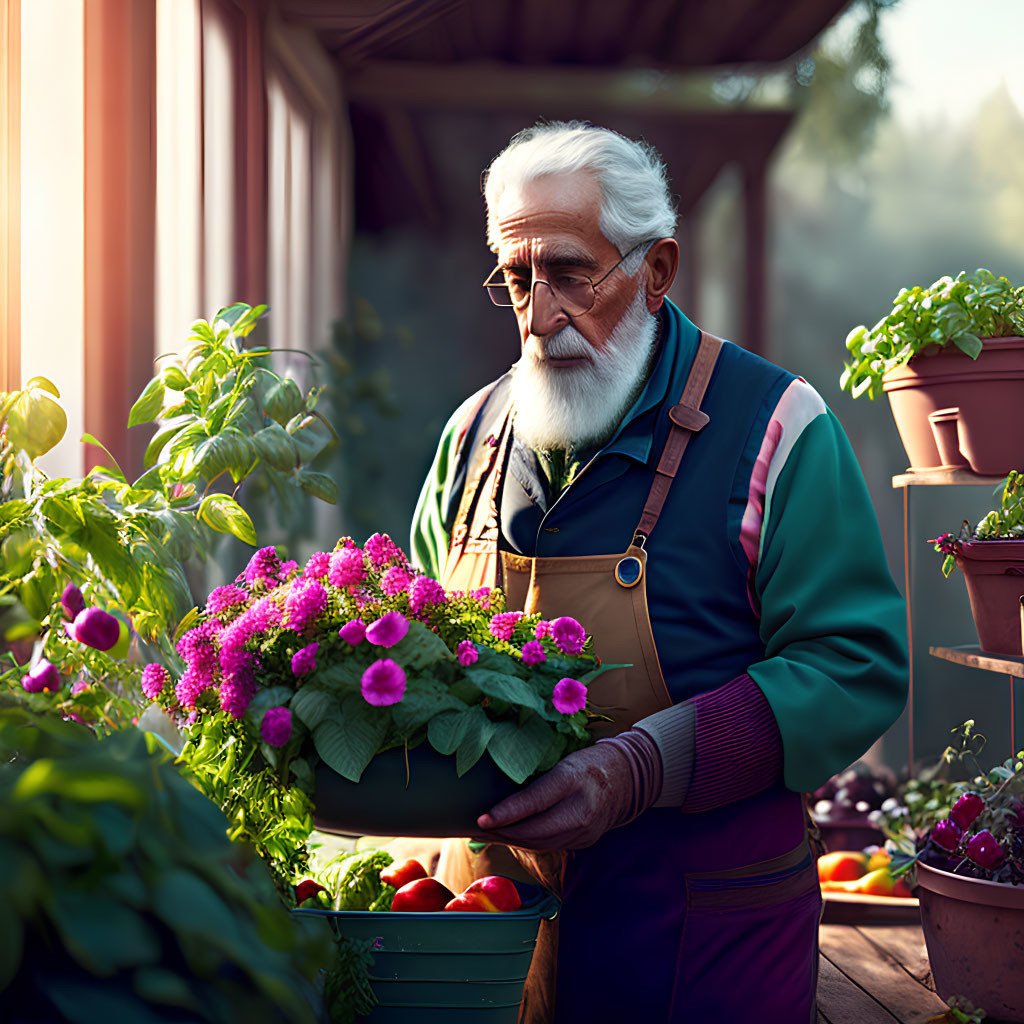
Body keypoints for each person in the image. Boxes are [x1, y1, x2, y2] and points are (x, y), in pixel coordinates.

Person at [410, 121, 908, 1024]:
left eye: (570, 273)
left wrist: (643, 767)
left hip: (702, 946)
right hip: (487, 942)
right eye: (517, 281)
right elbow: (407, 653)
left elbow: (853, 665)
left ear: (658, 270)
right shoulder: (473, 435)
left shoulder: (776, 428)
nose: (539, 316)